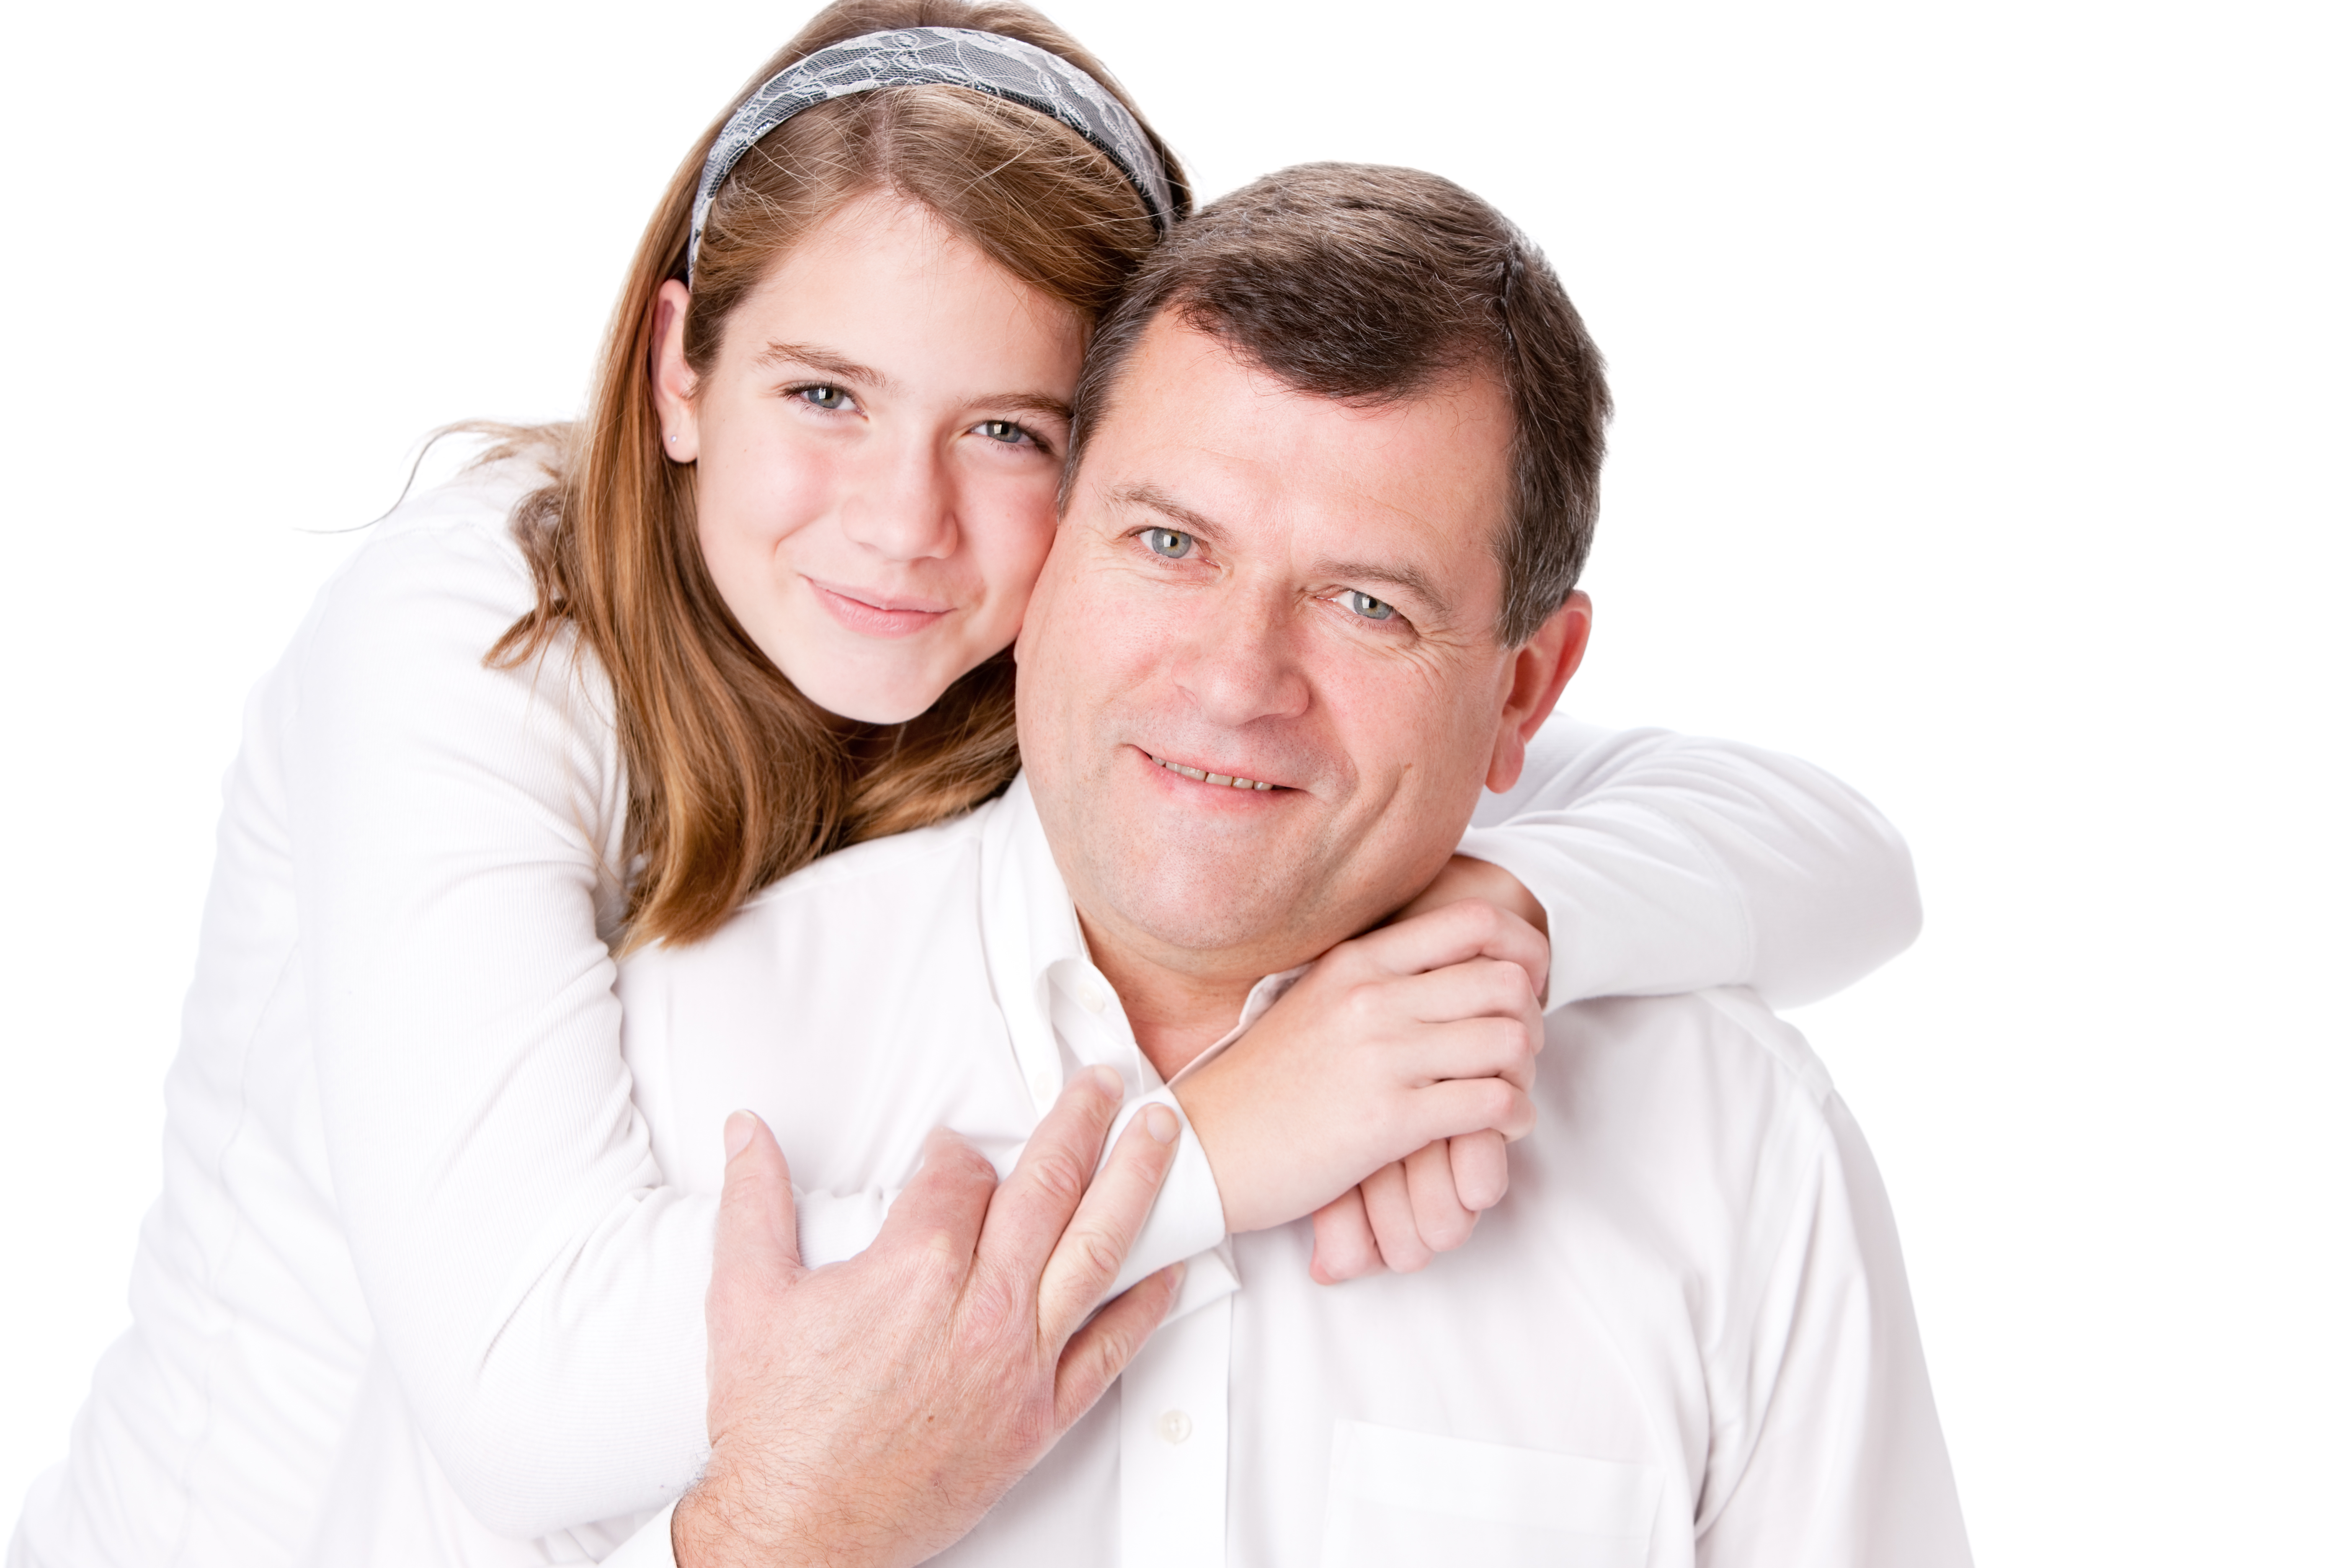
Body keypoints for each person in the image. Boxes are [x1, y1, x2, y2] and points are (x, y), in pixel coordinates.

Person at [8, 10, 1923, 1568]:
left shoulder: (1075, 680)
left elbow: (1832, 852)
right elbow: (521, 1381)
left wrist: (1515, 914)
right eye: (823, 394)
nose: (902, 520)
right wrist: (1221, 1146)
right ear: (680, 370)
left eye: (1002, 430)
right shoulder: (475, 644)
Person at [596, 163, 1971, 1566]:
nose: (1236, 679)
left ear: (1522, 693)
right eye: (1170, 542)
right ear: (1053, 550)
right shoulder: (692, 1045)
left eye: (1366, 604)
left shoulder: (1724, 1144)